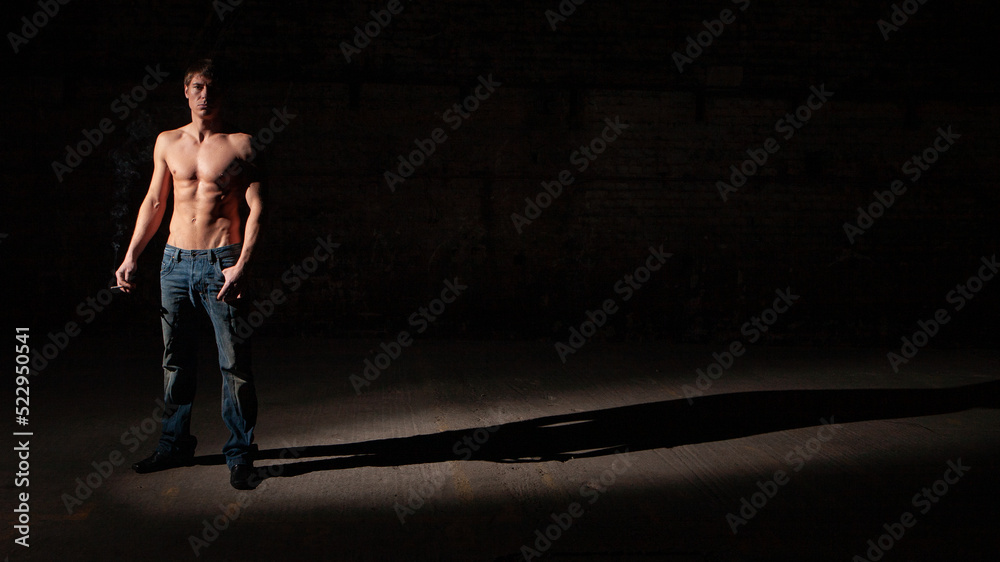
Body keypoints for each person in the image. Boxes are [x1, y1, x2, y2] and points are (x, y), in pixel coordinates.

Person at [115, 59, 264, 490]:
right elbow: (154, 202)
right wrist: (131, 255)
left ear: (222, 93)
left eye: (212, 88)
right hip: (174, 263)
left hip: (222, 263)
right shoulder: (167, 142)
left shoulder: (241, 145)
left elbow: (259, 209)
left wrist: (242, 265)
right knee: (175, 360)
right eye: (198, 87)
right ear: (185, 91)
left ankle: (240, 455)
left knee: (234, 363)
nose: (205, 95)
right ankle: (175, 444)